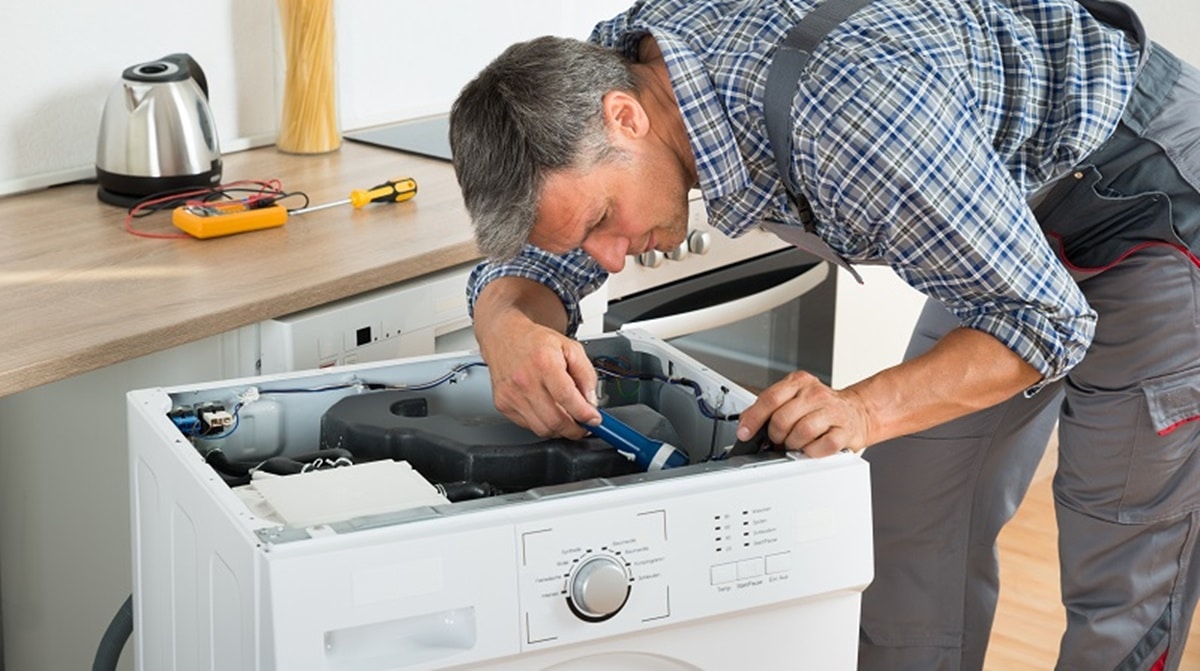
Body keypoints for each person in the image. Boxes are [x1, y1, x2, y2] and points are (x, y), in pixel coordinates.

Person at [447, 0, 1200, 668]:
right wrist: (507, 324)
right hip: (985, 210)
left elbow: (1045, 317)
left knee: (1121, 561)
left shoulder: (850, 116)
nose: (608, 259)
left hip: (1142, 194)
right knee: (910, 527)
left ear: (625, 118)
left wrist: (864, 410)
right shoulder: (619, 68)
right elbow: (537, 262)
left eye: (603, 223)